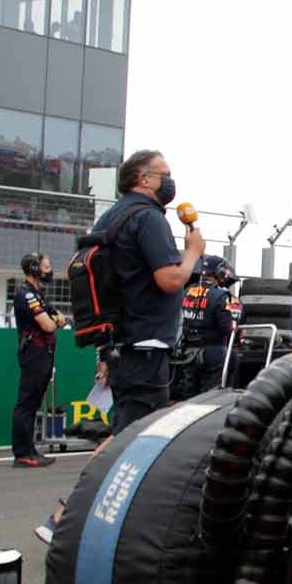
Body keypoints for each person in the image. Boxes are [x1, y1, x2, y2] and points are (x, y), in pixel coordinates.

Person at [93, 150, 205, 434]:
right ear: (144, 179)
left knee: (123, 430)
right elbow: (170, 279)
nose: (170, 182)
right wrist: (192, 253)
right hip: (146, 346)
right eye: (164, 175)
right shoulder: (149, 218)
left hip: (118, 342)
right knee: (139, 436)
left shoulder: (110, 217)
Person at [9, 253, 61, 468]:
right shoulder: (26, 294)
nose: (49, 271)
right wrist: (55, 320)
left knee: (33, 403)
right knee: (27, 404)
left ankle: (29, 449)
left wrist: (55, 319)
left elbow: (57, 317)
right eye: (46, 267)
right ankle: (22, 453)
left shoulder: (38, 293)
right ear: (34, 268)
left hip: (44, 353)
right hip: (34, 353)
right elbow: (49, 324)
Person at [175, 256, 238, 399]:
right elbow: (226, 328)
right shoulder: (220, 295)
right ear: (218, 272)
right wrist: (234, 324)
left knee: (189, 394)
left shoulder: (188, 291)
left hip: (189, 351)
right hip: (212, 351)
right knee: (210, 396)